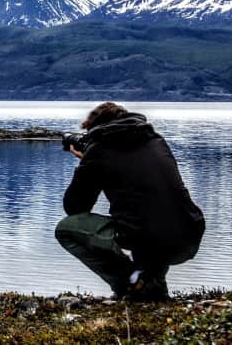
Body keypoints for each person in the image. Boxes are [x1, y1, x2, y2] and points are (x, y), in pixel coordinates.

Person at [55, 102, 205, 301]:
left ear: (97, 128)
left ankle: (131, 283)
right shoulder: (156, 141)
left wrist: (86, 163)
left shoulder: (99, 150)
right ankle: (154, 289)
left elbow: (75, 207)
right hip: (189, 235)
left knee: (66, 229)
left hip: (148, 237)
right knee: (150, 218)